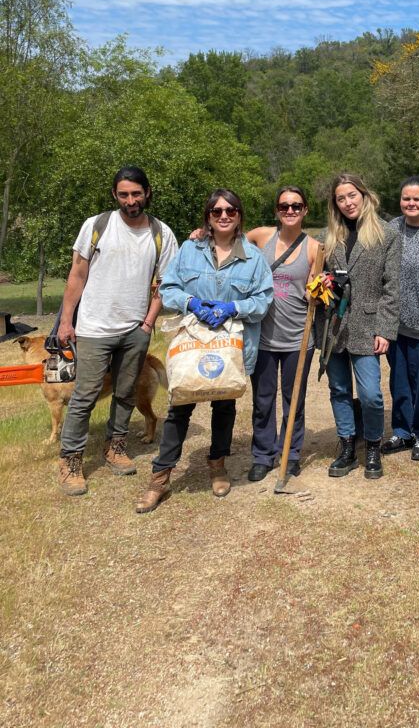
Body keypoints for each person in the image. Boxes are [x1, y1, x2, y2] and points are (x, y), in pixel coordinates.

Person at [136, 190, 273, 512]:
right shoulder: (188, 250)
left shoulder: (253, 258)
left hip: (229, 347)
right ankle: (160, 478)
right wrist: (192, 303)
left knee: (223, 407)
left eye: (230, 210)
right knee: (180, 407)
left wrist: (232, 307)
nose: (223, 216)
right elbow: (168, 288)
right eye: (216, 211)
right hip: (191, 343)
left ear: (240, 215)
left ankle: (217, 464)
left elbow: (264, 300)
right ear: (208, 216)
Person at [57, 166, 178, 497]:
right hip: (94, 326)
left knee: (125, 392)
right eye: (124, 194)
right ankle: (70, 460)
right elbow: (77, 274)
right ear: (115, 195)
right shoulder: (97, 226)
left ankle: (116, 445)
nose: (130, 200)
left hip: (136, 329)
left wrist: (149, 323)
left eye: (136, 193)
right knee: (85, 395)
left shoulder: (161, 233)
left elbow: (165, 283)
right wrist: (67, 321)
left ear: (147, 193)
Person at [320, 173, 401, 480]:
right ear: (335, 204)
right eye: (341, 198)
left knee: (370, 394)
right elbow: (316, 277)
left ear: (365, 196)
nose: (348, 202)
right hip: (333, 326)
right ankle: (347, 447)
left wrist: (385, 330)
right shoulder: (329, 238)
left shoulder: (387, 236)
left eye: (352, 195)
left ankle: (372, 447)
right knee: (338, 389)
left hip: (369, 326)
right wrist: (323, 284)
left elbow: (391, 289)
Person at [244, 186, 321, 482]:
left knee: (294, 399)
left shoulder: (314, 247)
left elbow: (315, 290)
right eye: (284, 206)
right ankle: (263, 454)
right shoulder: (261, 236)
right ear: (277, 210)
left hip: (297, 339)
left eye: (296, 206)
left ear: (305, 209)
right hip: (263, 336)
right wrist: (203, 234)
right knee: (263, 399)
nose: (290, 210)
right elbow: (228, 240)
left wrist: (319, 288)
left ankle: (290, 452)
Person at [382, 177, 419, 462]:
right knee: (398, 380)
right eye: (406, 198)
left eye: (417, 199)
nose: (411, 203)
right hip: (394, 322)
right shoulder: (392, 228)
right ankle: (401, 431)